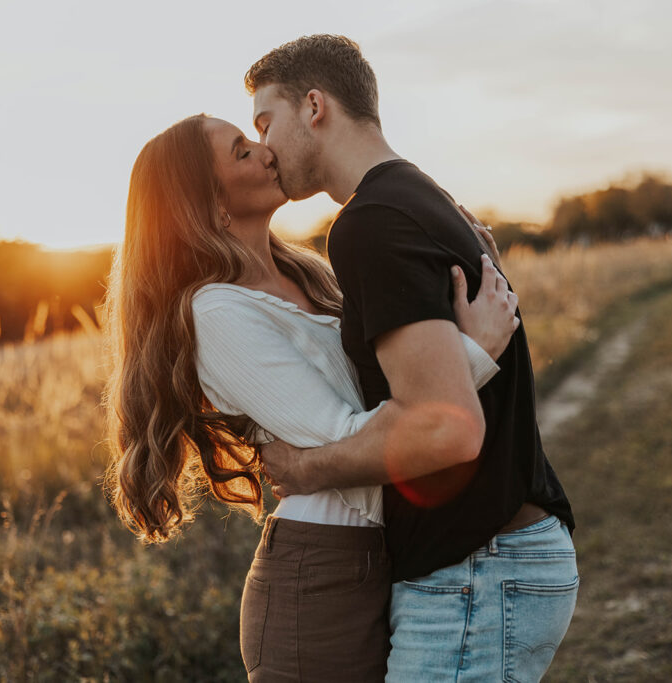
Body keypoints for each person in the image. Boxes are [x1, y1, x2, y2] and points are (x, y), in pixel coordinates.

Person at [104, 112, 518, 681]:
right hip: (317, 577)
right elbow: (343, 439)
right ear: (208, 202)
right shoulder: (217, 312)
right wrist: (477, 353)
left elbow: (394, 385)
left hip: (375, 559)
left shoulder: (310, 275)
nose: (267, 151)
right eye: (242, 151)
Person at [248, 35, 578, 681]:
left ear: (314, 105)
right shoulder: (416, 197)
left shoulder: (371, 223)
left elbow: (444, 425)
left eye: (266, 122)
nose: (263, 147)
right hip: (489, 561)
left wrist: (309, 468)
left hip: (478, 570)